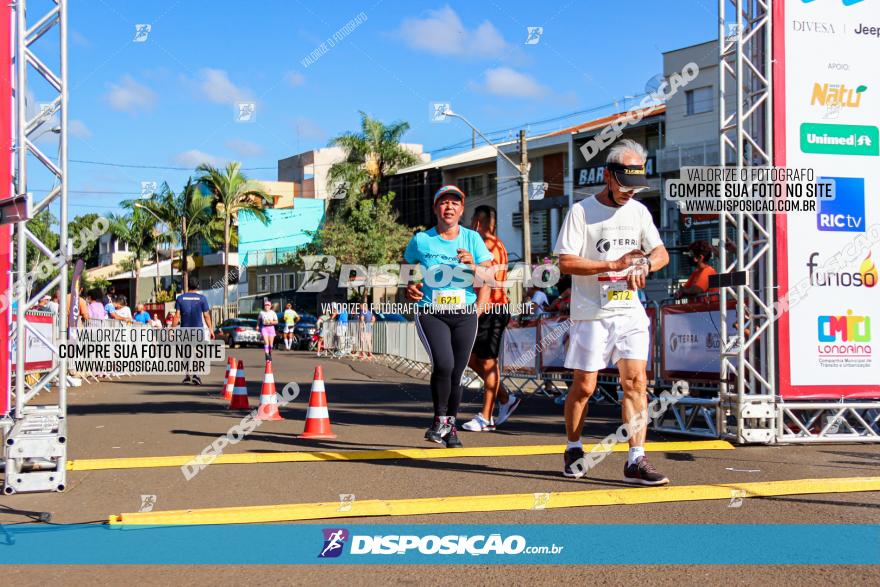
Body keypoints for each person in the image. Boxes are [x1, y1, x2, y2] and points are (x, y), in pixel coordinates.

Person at [553, 138, 671, 485]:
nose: (629, 193)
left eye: (636, 187)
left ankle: (636, 459)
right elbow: (566, 262)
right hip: (591, 313)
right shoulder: (582, 211)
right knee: (585, 386)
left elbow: (661, 253)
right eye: (624, 185)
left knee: (636, 383)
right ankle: (574, 447)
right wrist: (613, 263)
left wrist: (646, 264)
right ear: (608, 176)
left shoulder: (638, 211)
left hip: (629, 312)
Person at [404, 185, 493, 448]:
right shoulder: (422, 240)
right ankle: (439, 420)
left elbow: (490, 278)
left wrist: (473, 266)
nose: (449, 207)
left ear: (461, 209)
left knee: (457, 373)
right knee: (444, 364)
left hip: (465, 313)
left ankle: (449, 427)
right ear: (436, 209)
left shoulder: (473, 239)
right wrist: (410, 288)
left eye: (455, 203)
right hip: (432, 312)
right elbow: (407, 270)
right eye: (444, 203)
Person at [461, 205, 520, 432]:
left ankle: (486, 417)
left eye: (471, 219)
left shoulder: (488, 245)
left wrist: (468, 267)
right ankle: (506, 398)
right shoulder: (495, 243)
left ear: (477, 220)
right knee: (470, 358)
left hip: (492, 309)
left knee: (488, 362)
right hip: (486, 308)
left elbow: (490, 277)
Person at [174, 285, 214, 385]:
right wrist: (211, 329)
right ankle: (196, 375)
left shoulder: (180, 298)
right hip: (197, 329)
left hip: (185, 330)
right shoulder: (202, 298)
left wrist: (172, 329)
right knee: (197, 352)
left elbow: (177, 316)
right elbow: (206, 315)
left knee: (186, 352)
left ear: (188, 286)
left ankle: (187, 375)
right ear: (197, 286)